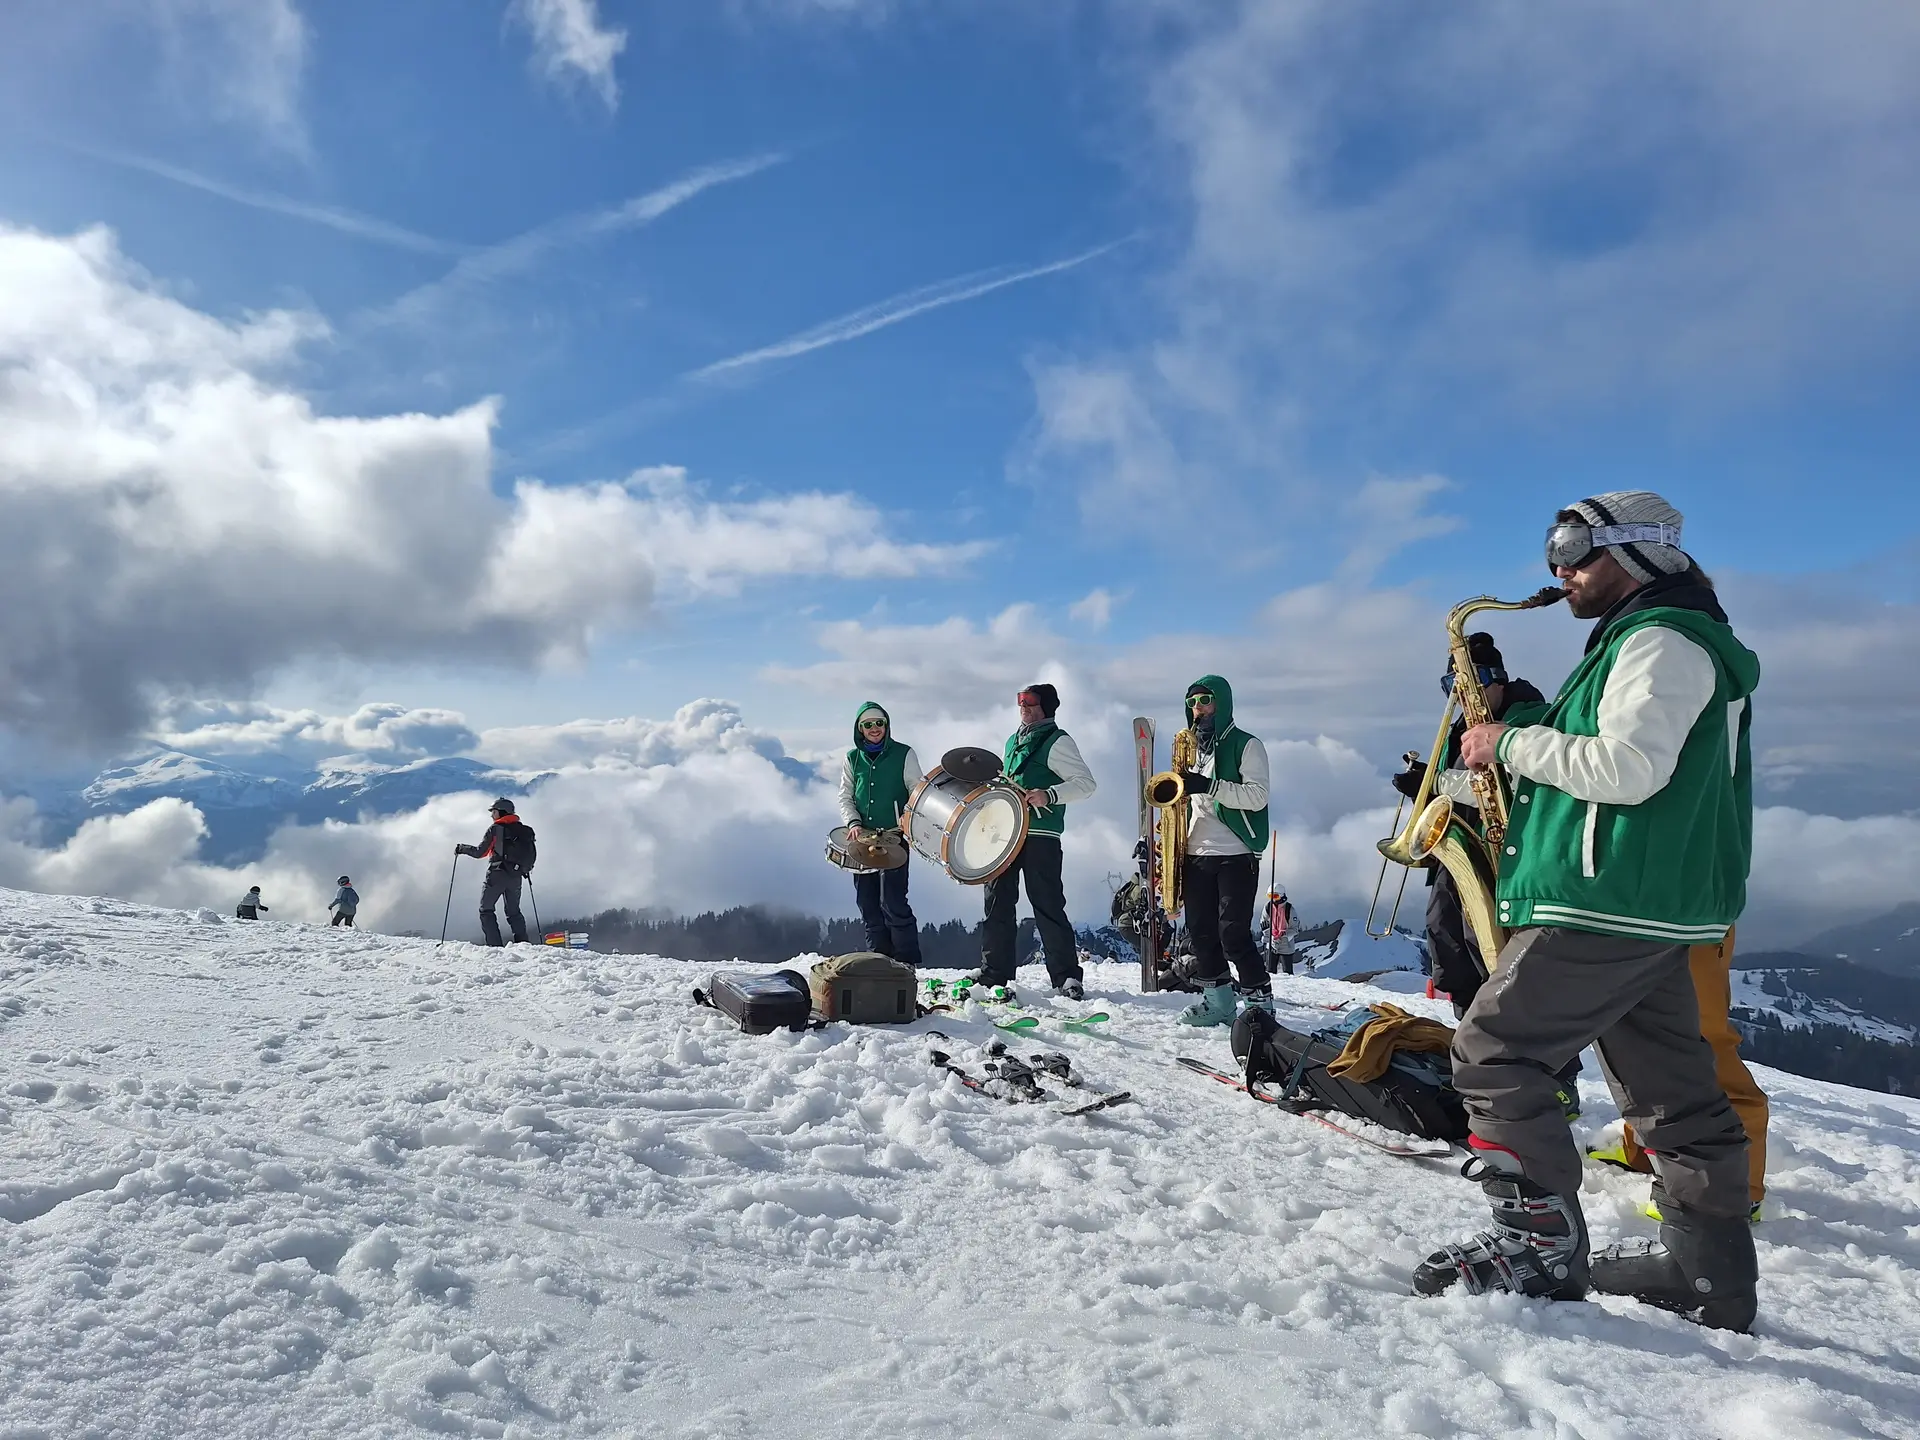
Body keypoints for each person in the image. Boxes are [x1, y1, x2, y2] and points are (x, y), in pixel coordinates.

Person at [1413, 490, 1762, 1334]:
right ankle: (1706, 1269)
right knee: (1673, 1090)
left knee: (1493, 1050)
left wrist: (1510, 744)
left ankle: (1534, 1247)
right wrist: (1522, 718)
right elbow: (1622, 753)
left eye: (1574, 549)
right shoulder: (1654, 638)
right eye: (1553, 551)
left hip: (1606, 897)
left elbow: (1631, 769)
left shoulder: (1660, 641)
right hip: (1646, 900)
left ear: (1643, 553)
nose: (1559, 571)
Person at [1392, 633, 1546, 1016]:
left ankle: (1532, 1055)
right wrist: (1424, 789)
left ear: (1497, 677)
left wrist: (1435, 780)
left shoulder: (1525, 717)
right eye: (1451, 685)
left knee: (1495, 951)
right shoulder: (1461, 726)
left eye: (1468, 680)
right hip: (1466, 849)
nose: (1459, 693)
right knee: (1444, 931)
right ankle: (1469, 1025)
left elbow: (1504, 783)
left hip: (1508, 855)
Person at [1588, 925, 1771, 1217]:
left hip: (1681, 906)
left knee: (1700, 1038)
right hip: (1618, 905)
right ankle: (1646, 1148)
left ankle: (1734, 1186)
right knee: (1635, 1036)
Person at [970, 684, 1097, 999]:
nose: (1023, 706)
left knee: (1048, 905)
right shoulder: (1013, 740)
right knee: (997, 903)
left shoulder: (1058, 741)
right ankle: (993, 973)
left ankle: (1067, 977)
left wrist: (1049, 795)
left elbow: (1086, 784)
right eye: (1019, 700)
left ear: (1047, 707)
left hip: (1041, 835)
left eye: (1030, 701)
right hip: (1006, 833)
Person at [1171, 676, 1273, 1027]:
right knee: (1200, 932)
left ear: (1222, 703)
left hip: (1236, 850)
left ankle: (1259, 1001)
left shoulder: (1247, 745)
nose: (1198, 708)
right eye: (1193, 703)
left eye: (1205, 700)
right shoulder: (1190, 750)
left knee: (1233, 931)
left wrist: (1210, 786)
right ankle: (1218, 1001)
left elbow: (1258, 796)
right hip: (1197, 850)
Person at [836, 702, 924, 966]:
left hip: (894, 838)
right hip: (861, 840)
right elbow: (845, 795)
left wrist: (908, 817)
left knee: (894, 901)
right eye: (868, 724)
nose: (874, 729)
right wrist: (853, 822)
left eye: (879, 723)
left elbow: (917, 791)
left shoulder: (904, 754)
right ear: (859, 729)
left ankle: (906, 962)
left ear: (886, 725)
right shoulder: (852, 758)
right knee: (868, 903)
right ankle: (879, 962)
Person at [456, 798, 534, 946]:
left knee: (486, 909)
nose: (492, 815)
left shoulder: (495, 829)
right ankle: (523, 944)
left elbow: (480, 852)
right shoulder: (525, 830)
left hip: (496, 874)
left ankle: (494, 946)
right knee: (514, 912)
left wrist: (462, 848)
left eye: (494, 812)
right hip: (516, 875)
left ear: (501, 812)